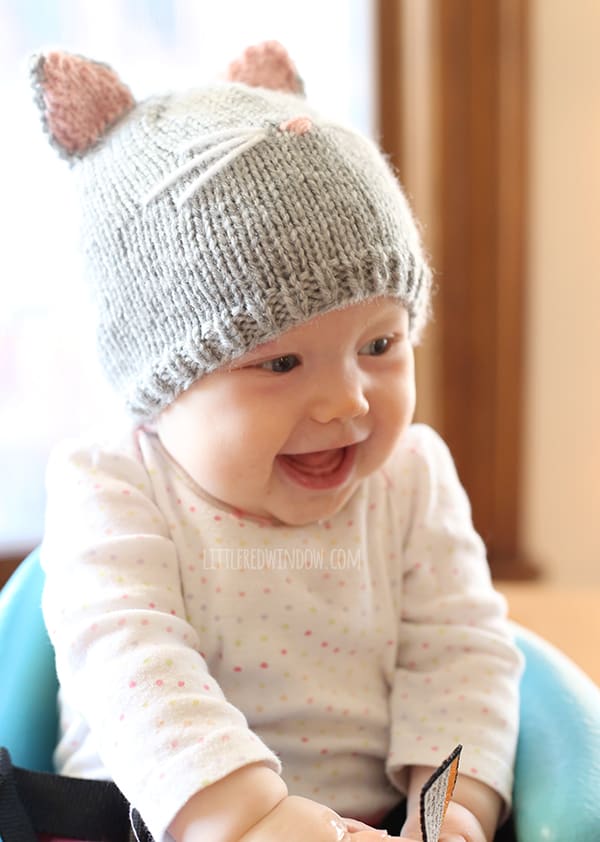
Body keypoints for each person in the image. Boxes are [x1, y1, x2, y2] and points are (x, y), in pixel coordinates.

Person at [32, 41, 522, 842]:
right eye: (281, 362)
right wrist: (251, 818)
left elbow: (461, 651)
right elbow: (130, 662)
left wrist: (454, 810)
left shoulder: (410, 475)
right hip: (163, 819)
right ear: (160, 392)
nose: (347, 400)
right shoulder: (112, 486)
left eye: (380, 345)